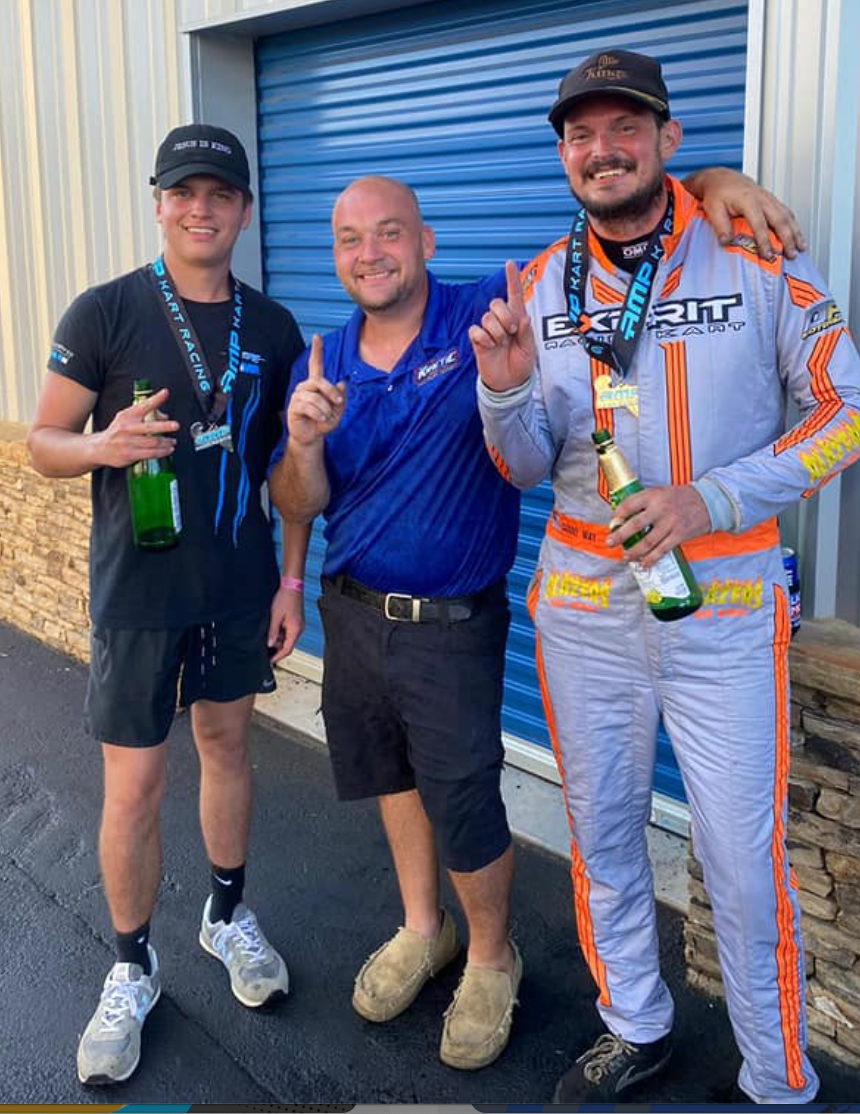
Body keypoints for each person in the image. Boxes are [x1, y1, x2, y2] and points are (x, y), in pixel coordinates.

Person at [268, 156, 806, 1073]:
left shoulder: (493, 302)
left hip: (452, 620)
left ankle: (488, 958)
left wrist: (710, 180)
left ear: (426, 243)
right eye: (351, 240)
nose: (372, 253)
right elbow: (298, 499)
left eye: (390, 232)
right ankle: (421, 928)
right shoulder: (319, 359)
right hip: (351, 610)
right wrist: (302, 440)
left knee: (465, 793)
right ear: (335, 258)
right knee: (390, 780)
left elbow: (612, 229)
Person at [471, 48, 860, 1105]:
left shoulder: (757, 251)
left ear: (667, 141)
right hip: (582, 603)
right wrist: (505, 394)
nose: (599, 150)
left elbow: (851, 417)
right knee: (602, 831)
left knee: (741, 864)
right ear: (562, 153)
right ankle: (634, 1024)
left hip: (724, 604)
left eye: (622, 128)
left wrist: (712, 497)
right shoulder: (531, 285)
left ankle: (775, 1076)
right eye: (577, 133)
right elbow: (519, 469)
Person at [28, 125, 309, 1086]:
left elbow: (284, 469)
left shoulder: (273, 329)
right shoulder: (104, 311)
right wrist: (99, 447)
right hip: (138, 599)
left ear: (241, 210)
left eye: (219, 194)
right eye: (184, 192)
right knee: (134, 787)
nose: (201, 209)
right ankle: (132, 963)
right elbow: (40, 442)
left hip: (236, 593)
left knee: (228, 749)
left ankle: (227, 914)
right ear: (159, 204)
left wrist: (290, 577)